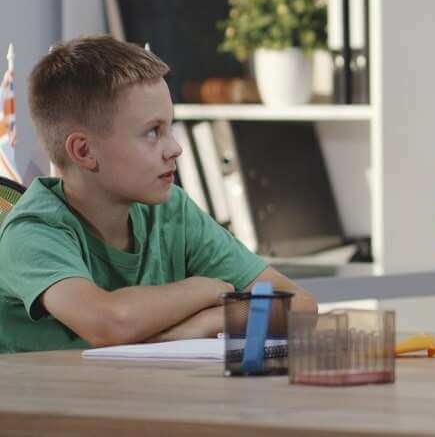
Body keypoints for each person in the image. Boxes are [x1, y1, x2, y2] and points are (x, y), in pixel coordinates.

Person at [0, 36, 316, 353]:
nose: (175, 148)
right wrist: (204, 289)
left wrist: (211, 322)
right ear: (84, 151)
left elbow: (299, 306)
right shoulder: (31, 232)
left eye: (170, 128)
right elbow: (110, 324)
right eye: (153, 132)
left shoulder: (171, 211)